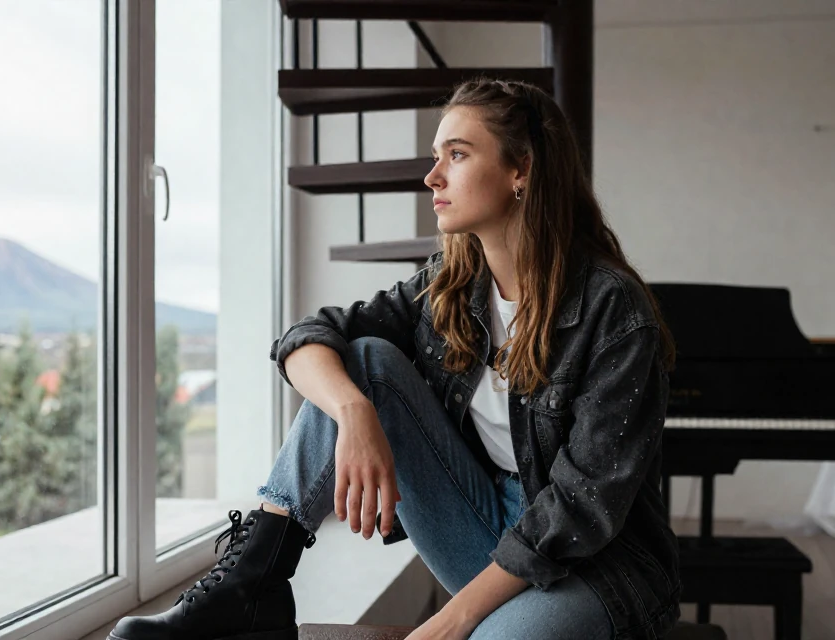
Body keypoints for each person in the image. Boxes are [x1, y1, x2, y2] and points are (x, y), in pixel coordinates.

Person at [109, 78, 681, 640]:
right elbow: (307, 338)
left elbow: (582, 509)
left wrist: (453, 617)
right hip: (486, 528)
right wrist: (356, 413)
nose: (432, 176)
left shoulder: (613, 310)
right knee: (362, 360)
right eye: (437, 156)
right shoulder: (451, 287)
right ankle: (253, 583)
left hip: (599, 569)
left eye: (457, 155)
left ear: (521, 170)